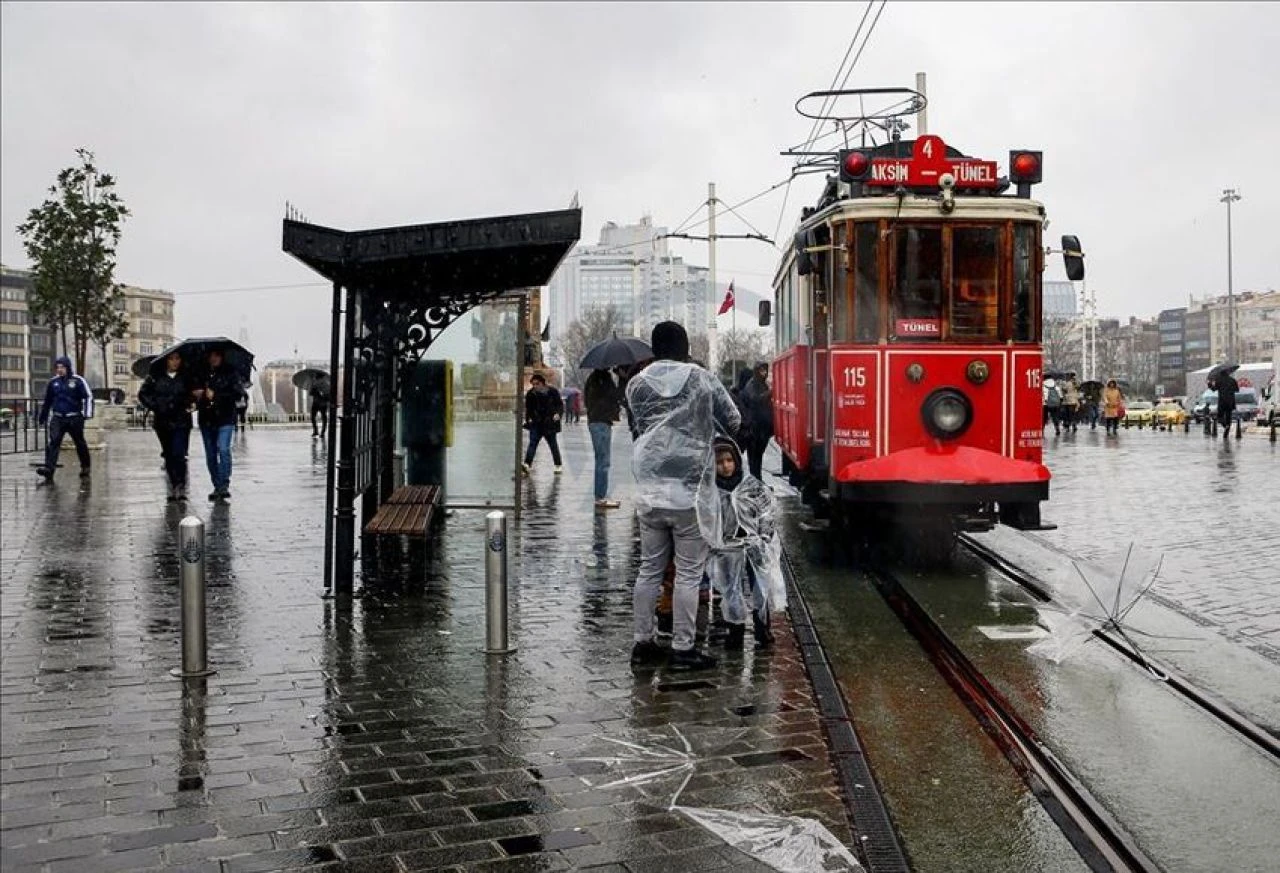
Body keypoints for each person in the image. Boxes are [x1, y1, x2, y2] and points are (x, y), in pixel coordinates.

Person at [626, 320, 741, 672]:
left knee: (649, 569)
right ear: (685, 345)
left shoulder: (636, 385)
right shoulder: (701, 379)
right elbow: (733, 419)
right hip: (690, 491)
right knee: (689, 573)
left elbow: (640, 427)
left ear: (654, 348)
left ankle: (643, 644)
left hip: (649, 489)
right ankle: (683, 647)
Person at [705, 437, 784, 650]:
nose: (725, 466)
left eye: (729, 460)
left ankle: (762, 626)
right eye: (720, 462)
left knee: (761, 587)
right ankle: (735, 629)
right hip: (728, 547)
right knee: (731, 589)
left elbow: (766, 512)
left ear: (736, 461)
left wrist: (764, 535)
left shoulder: (751, 486)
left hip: (754, 544)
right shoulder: (710, 491)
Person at [138, 351, 195, 501]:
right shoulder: (155, 378)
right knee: (169, 454)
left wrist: (191, 401)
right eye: (171, 359)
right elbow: (143, 394)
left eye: (177, 358)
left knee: (179, 453)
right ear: (166, 361)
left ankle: (180, 485)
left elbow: (193, 394)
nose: (175, 362)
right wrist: (156, 405)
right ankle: (173, 483)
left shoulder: (186, 377)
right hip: (163, 422)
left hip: (181, 420)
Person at [196, 349, 245, 502]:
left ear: (222, 356)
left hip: (225, 417)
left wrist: (217, 394)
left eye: (217, 355)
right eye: (211, 355)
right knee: (211, 454)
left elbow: (238, 393)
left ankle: (224, 484)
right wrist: (199, 394)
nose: (213, 358)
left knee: (223, 449)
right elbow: (193, 391)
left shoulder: (231, 372)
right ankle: (217, 484)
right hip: (206, 418)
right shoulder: (200, 373)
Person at [35, 356, 93, 483]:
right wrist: (42, 416)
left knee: (79, 443)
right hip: (58, 417)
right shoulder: (53, 382)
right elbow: (48, 401)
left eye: (62, 367)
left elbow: (88, 396)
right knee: (53, 442)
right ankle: (49, 469)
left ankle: (85, 466)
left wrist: (87, 414)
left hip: (74, 417)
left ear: (68, 367)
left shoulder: (78, 380)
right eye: (58, 367)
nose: (60, 370)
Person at [584, 368, 621, 509]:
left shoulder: (593, 379)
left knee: (601, 460)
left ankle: (600, 495)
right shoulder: (602, 379)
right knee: (603, 461)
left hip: (596, 420)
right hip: (601, 421)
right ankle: (600, 497)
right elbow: (612, 396)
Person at [738, 362, 774, 479]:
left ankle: (758, 480)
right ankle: (755, 481)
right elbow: (755, 399)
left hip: (762, 428)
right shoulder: (752, 384)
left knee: (758, 457)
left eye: (765, 370)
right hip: (754, 429)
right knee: (754, 459)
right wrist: (770, 393)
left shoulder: (763, 384)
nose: (764, 373)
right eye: (761, 370)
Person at [522, 373, 563, 473]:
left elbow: (559, 405)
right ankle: (527, 464)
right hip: (536, 423)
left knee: (553, 445)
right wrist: (528, 419)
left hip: (549, 423)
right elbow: (529, 408)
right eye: (533, 384)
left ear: (542, 383)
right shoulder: (531, 394)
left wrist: (558, 414)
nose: (535, 386)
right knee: (532, 444)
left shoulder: (552, 391)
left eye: (537, 384)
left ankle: (558, 465)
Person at [1215, 370, 1239, 439]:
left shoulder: (1218, 380)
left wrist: (1210, 384)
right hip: (1230, 402)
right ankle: (1226, 433)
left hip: (1222, 401)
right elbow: (1237, 389)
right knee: (1229, 417)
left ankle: (1225, 426)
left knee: (1220, 417)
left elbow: (1214, 389)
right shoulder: (1232, 380)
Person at [311, 375, 331, 440]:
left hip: (319, 403)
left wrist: (320, 393)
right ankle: (319, 432)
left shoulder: (326, 385)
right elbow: (311, 393)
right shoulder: (315, 385)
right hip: (319, 403)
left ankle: (318, 431)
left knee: (320, 417)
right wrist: (314, 389)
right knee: (321, 418)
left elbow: (328, 396)